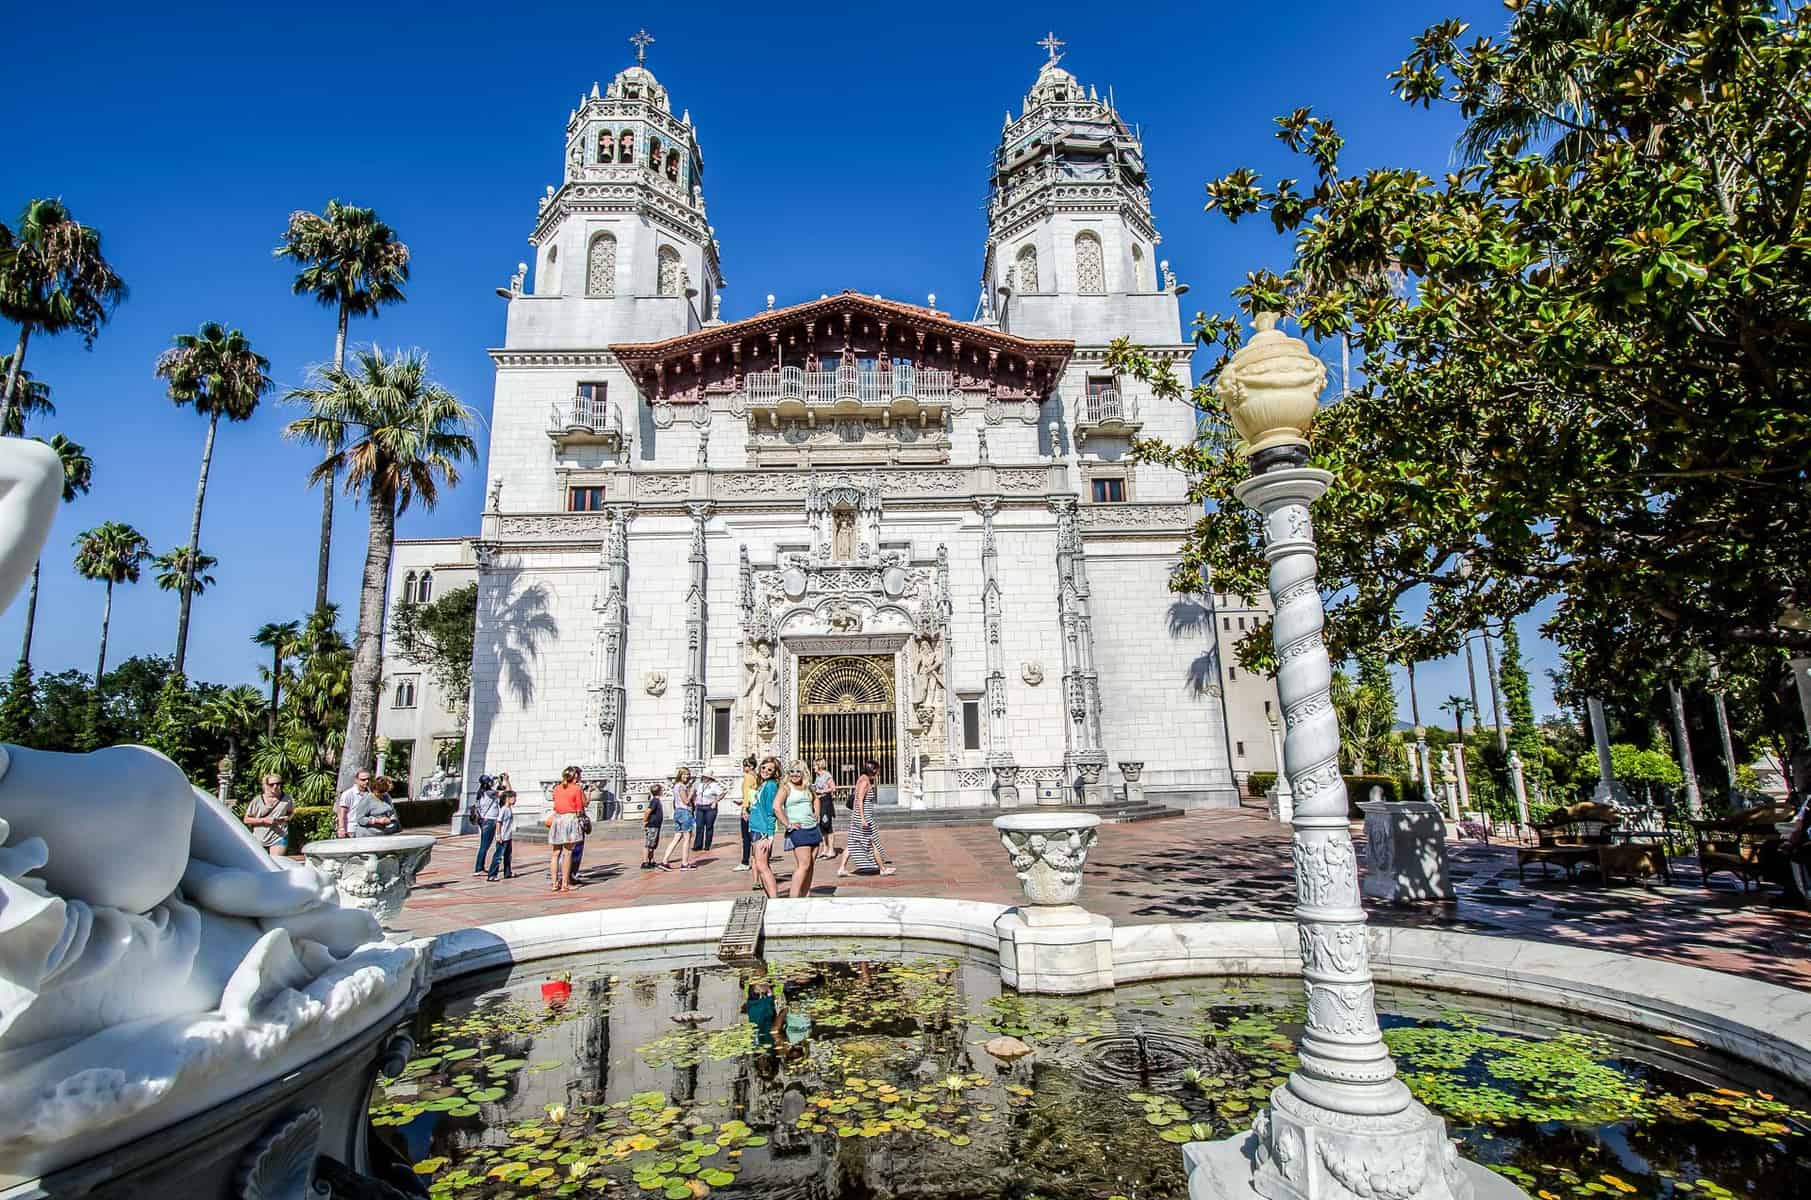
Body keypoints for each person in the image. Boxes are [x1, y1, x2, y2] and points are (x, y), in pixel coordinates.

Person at [839, 758, 896, 876]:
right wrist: (863, 818)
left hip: (859, 817)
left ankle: (842, 868)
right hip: (863, 817)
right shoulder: (865, 782)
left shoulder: (862, 779)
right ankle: (882, 869)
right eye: (877, 770)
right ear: (873, 770)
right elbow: (859, 800)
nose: (878, 773)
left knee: (852, 842)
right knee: (872, 842)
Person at [776, 761, 821, 898]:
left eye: (798, 771)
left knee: (811, 865)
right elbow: (776, 807)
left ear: (803, 773)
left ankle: (806, 894)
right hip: (799, 830)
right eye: (792, 771)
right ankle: (793, 898)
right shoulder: (786, 788)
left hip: (813, 827)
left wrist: (817, 813)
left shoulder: (807, 787)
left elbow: (816, 799)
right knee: (804, 864)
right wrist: (788, 824)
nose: (795, 774)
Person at [548, 766, 586, 892]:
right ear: (575, 776)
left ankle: (554, 883)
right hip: (570, 819)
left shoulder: (557, 788)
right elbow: (580, 808)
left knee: (555, 853)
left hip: (557, 819)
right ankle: (565, 884)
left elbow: (556, 804)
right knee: (568, 853)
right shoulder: (577, 789)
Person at [748, 757, 781, 898]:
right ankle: (770, 897)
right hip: (755, 827)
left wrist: (769, 835)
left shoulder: (771, 786)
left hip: (762, 830)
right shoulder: (763, 784)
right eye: (764, 768)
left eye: (770, 769)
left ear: (775, 772)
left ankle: (774, 898)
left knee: (762, 866)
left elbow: (771, 811)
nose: (766, 771)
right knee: (761, 864)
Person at [242, 774, 293, 856]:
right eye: (272, 784)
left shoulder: (287, 799)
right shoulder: (257, 800)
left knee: (276, 863)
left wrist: (285, 819)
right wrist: (263, 820)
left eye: (278, 783)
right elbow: (246, 819)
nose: (275, 786)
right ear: (266, 785)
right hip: (259, 838)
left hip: (279, 837)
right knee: (261, 865)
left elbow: (290, 813)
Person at [662, 767, 697, 870]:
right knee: (687, 838)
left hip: (678, 812)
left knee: (677, 837)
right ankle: (685, 863)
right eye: (684, 774)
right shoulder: (681, 786)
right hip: (684, 812)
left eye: (688, 774)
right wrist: (691, 793)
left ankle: (665, 861)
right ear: (680, 775)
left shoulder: (676, 786)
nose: (687, 776)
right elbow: (686, 801)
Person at [471, 775, 500, 875]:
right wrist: (503, 781)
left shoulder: (480, 793)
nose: (492, 782)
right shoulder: (489, 793)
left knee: (484, 845)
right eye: (491, 781)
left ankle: (480, 867)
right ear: (488, 783)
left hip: (484, 820)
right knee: (484, 846)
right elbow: (505, 793)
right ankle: (478, 868)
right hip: (490, 821)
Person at [734, 755, 759, 872]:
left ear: (752, 766)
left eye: (746, 765)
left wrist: (744, 808)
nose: (744, 768)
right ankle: (755, 858)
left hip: (748, 809)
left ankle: (745, 861)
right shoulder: (756, 777)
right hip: (754, 808)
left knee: (746, 837)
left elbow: (748, 792)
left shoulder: (748, 777)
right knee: (753, 836)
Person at [812, 758, 838, 861]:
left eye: (815, 765)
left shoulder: (827, 775)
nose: (813, 767)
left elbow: (833, 788)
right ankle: (825, 848)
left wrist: (822, 790)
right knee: (821, 826)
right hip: (819, 800)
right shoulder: (817, 776)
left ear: (819, 765)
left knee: (827, 824)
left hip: (826, 801)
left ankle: (831, 850)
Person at [486, 789, 517, 879]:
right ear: (507, 798)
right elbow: (499, 822)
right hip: (503, 837)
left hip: (508, 836)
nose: (515, 799)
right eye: (513, 797)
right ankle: (492, 875)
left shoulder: (509, 809)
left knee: (508, 856)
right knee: (498, 857)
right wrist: (498, 835)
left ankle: (508, 873)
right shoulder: (503, 809)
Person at [335, 769, 372, 838]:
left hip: (367, 830)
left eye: (368, 779)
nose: (366, 781)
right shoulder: (348, 794)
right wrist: (341, 828)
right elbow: (342, 813)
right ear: (356, 780)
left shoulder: (371, 794)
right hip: (352, 830)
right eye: (363, 780)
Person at [694, 769, 723, 852]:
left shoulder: (714, 785)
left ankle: (707, 845)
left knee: (709, 826)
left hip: (710, 807)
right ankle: (698, 845)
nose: (704, 778)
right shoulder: (699, 784)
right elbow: (695, 793)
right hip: (700, 807)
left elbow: (721, 794)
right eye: (703, 776)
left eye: (706, 777)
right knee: (699, 826)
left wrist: (715, 801)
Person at [642, 782, 665, 870]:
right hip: (652, 825)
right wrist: (645, 821)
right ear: (659, 792)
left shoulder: (656, 800)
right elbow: (648, 811)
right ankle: (645, 861)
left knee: (653, 844)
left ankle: (651, 860)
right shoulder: (655, 801)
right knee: (648, 844)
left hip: (656, 826)